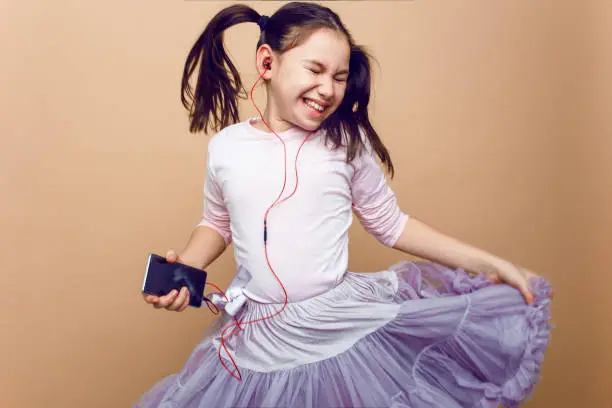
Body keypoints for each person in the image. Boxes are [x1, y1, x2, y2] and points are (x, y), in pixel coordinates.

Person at [135, 2, 553, 407]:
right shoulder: (226, 148)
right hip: (260, 337)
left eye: (339, 76)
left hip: (336, 327)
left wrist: (488, 264)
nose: (328, 88)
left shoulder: (345, 145)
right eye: (314, 70)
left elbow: (392, 224)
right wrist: (185, 268)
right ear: (267, 63)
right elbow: (217, 222)